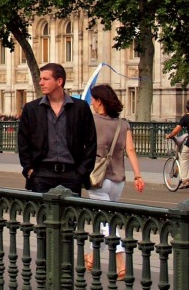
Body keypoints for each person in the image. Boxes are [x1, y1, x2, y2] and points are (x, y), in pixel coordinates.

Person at [84, 84, 145, 280]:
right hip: (118, 180)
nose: (91, 103)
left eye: (93, 99)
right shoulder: (123, 124)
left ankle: (121, 262)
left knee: (106, 223)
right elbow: (131, 151)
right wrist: (138, 175)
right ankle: (92, 257)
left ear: (100, 101)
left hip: (98, 179)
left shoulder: (91, 121)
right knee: (106, 221)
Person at [18, 62, 97, 195]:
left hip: (72, 174)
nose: (41, 83)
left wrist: (82, 172)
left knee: (70, 215)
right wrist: (29, 170)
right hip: (42, 174)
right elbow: (23, 141)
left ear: (59, 81)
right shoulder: (32, 109)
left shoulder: (80, 108)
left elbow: (91, 142)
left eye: (46, 79)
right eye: (40, 79)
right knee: (43, 215)